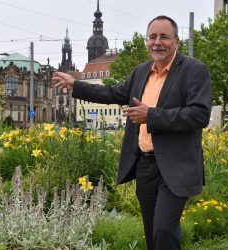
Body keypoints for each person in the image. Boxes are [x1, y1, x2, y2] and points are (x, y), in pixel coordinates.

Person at [53, 15, 212, 250]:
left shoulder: (193, 70)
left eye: (164, 37)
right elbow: (113, 94)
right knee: (151, 232)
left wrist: (152, 115)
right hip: (145, 164)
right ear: (147, 41)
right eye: (152, 37)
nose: (157, 42)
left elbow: (200, 115)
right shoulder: (141, 71)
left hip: (177, 165)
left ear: (176, 40)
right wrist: (76, 85)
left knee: (164, 229)